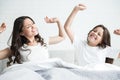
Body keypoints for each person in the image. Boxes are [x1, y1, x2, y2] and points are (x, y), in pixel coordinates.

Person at [0, 16, 65, 66]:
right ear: (21, 33)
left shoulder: (43, 41)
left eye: (33, 24)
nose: (33, 27)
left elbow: (61, 37)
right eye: (28, 27)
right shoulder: (16, 48)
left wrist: (58, 21)